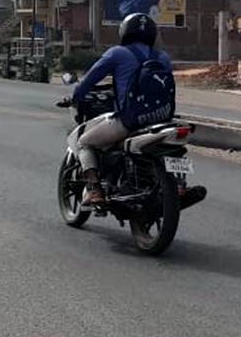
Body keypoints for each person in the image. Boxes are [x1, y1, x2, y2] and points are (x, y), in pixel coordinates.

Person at [67, 12, 174, 204]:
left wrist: (75, 97)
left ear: (124, 31)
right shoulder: (163, 57)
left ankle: (94, 190)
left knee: (84, 142)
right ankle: (177, 185)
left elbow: (89, 80)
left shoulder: (117, 53)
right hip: (162, 118)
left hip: (131, 120)